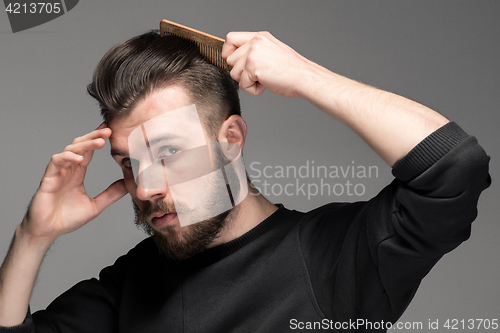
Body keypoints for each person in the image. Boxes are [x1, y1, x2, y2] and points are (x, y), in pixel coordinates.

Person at [0, 29, 490, 332]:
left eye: (168, 152)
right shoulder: (131, 285)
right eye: (128, 162)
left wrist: (305, 76)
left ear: (231, 138)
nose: (146, 187)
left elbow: (453, 168)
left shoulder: (332, 258)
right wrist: (31, 237)